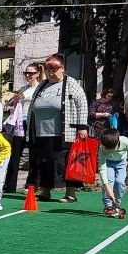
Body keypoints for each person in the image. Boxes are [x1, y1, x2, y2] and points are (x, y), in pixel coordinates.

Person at [27, 53, 89, 203]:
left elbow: (82, 104)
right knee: (44, 162)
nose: (51, 73)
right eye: (48, 70)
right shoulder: (42, 85)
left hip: (64, 132)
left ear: (62, 68)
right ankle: (45, 191)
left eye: (54, 69)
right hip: (41, 131)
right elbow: (32, 106)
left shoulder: (71, 83)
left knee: (65, 162)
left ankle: (70, 194)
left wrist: (82, 126)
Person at [3, 63, 42, 192]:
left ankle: (31, 184)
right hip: (20, 122)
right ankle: (9, 185)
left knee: (33, 154)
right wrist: (15, 100)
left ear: (37, 74)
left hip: (33, 122)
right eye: (26, 73)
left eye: (31, 73)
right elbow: (13, 105)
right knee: (15, 153)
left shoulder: (40, 88)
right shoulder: (22, 88)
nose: (28, 75)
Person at [97, 128, 128, 217]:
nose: (107, 150)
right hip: (108, 163)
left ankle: (116, 203)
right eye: (105, 148)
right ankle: (108, 206)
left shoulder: (125, 142)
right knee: (109, 181)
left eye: (109, 149)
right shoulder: (102, 148)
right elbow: (102, 168)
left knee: (120, 182)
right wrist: (107, 187)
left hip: (121, 163)